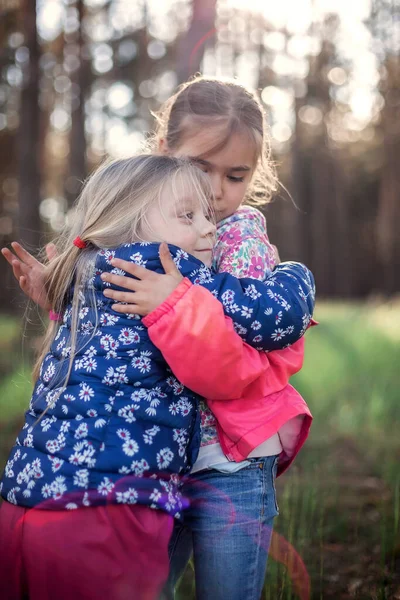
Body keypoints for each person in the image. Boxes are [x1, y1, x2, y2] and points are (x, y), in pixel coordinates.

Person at [0, 153, 315, 600]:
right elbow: (271, 318)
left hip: (24, 502)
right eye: (188, 215)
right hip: (105, 513)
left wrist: (52, 291)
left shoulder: (84, 269)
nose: (209, 228)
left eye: (207, 214)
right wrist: (295, 275)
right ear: (128, 226)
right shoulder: (165, 267)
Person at [82, 76, 317, 600]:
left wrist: (174, 301)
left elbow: (237, 356)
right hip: (153, 456)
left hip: (229, 457)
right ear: (164, 152)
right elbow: (108, 328)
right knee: (144, 587)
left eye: (236, 176)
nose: (215, 190)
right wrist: (54, 297)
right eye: (201, 167)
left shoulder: (242, 247)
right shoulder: (143, 229)